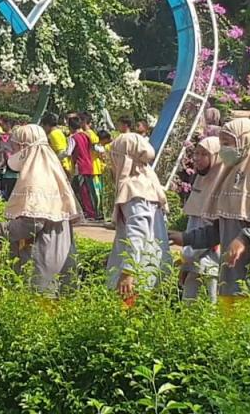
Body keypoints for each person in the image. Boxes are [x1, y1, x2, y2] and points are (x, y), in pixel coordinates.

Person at [171, 119, 250, 316]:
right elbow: (220, 228)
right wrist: (187, 238)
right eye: (222, 144)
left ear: (245, 141)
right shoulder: (230, 177)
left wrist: (245, 238)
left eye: (228, 143)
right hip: (231, 278)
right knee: (230, 339)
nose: (223, 149)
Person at [5, 124, 82, 294]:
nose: (12, 151)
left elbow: (32, 223)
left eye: (15, 146)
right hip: (61, 257)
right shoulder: (52, 170)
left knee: (40, 311)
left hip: (42, 259)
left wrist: (2, 230)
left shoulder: (34, 176)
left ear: (24, 148)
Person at [106, 133, 171, 301]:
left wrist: (128, 271)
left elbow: (137, 233)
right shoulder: (148, 181)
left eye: (114, 156)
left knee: (128, 322)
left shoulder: (133, 187)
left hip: (135, 277)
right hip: (151, 269)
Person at [180, 136, 223, 302]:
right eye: (196, 153)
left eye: (203, 154)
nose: (197, 158)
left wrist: (188, 254)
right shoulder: (200, 179)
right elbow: (194, 221)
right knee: (189, 304)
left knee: (211, 304)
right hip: (193, 257)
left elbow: (213, 228)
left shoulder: (221, 185)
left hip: (212, 260)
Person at [64, 114, 99, 221]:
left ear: (70, 127)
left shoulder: (72, 137)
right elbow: (94, 148)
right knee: (89, 189)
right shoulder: (87, 136)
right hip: (89, 165)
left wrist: (57, 156)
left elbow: (68, 152)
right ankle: (92, 212)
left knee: (82, 191)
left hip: (79, 167)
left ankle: (89, 213)